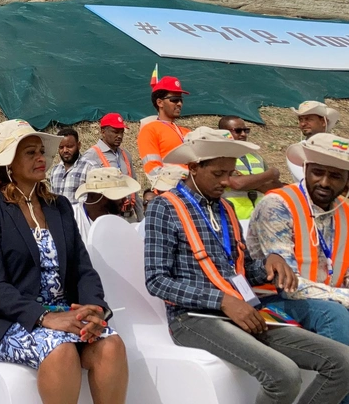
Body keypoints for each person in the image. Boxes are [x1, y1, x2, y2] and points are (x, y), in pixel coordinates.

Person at [145, 126, 349, 404]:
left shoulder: (225, 208)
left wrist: (269, 263)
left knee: (343, 363)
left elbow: (242, 270)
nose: (227, 182)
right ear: (193, 167)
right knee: (284, 376)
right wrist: (222, 301)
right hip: (194, 318)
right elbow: (157, 280)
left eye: (230, 173)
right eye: (218, 174)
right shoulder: (165, 207)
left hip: (244, 309)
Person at [0, 119, 127, 404]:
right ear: (8, 163)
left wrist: (93, 308)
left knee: (111, 345)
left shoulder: (58, 206)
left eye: (41, 151)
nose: (41, 158)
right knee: (59, 349)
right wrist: (45, 317)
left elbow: (82, 269)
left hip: (63, 314)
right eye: (30, 153)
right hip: (5, 319)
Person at [248, 133, 349, 367]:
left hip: (328, 299)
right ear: (305, 169)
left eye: (335, 176)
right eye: (317, 172)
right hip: (271, 301)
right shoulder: (277, 205)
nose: (324, 182)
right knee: (334, 315)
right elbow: (288, 287)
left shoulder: (344, 211)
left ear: (347, 181)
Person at [218, 115, 282, 219]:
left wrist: (248, 182)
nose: (243, 134)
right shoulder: (220, 157)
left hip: (261, 217)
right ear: (223, 133)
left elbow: (276, 186)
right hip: (233, 217)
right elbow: (237, 183)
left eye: (246, 130)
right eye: (238, 131)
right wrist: (271, 174)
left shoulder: (256, 157)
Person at [81, 112, 140, 211]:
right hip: (107, 214)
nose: (120, 136)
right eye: (115, 132)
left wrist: (140, 217)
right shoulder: (91, 156)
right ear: (103, 132)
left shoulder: (125, 154)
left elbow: (134, 188)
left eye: (121, 132)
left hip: (129, 216)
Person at [138, 75, 191, 178]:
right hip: (171, 189)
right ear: (160, 102)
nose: (179, 103)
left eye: (181, 99)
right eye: (175, 99)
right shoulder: (150, 129)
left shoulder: (187, 132)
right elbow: (152, 169)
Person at [72, 167, 143, 237]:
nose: (124, 200)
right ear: (101, 196)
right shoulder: (72, 216)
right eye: (119, 196)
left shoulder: (117, 223)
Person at [289, 101, 341, 182]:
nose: (302, 124)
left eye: (308, 119)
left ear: (324, 122)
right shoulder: (297, 151)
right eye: (301, 119)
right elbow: (308, 180)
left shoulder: (338, 146)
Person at [49, 128, 91, 204]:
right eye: (61, 147)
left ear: (79, 145)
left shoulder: (89, 167)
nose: (65, 150)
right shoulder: (55, 171)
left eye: (69, 146)